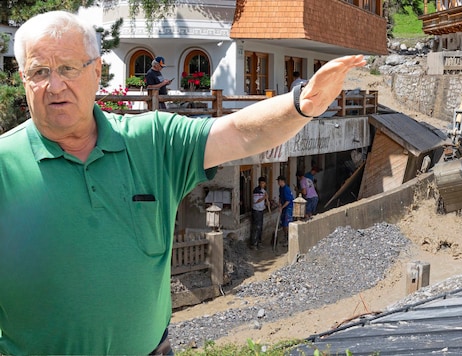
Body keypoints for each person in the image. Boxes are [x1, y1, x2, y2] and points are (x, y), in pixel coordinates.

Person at [0, 10, 365, 355]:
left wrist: (302, 104)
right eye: (40, 71)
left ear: (97, 71)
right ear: (23, 79)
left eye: (68, 68)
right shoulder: (4, 166)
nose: (55, 85)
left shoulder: (153, 141)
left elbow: (238, 134)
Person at [250, 176, 269, 249]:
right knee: (256, 227)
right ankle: (253, 244)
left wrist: (266, 203)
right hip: (256, 211)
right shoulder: (256, 190)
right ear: (259, 183)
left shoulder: (264, 191)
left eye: (263, 183)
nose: (262, 184)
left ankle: (259, 242)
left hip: (261, 210)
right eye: (261, 183)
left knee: (260, 227)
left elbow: (263, 201)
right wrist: (264, 198)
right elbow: (255, 201)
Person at [277, 175, 294, 246]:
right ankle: (285, 237)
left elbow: (288, 201)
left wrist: (282, 207)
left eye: (279, 181)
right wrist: (279, 204)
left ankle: (289, 239)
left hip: (288, 208)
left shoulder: (286, 189)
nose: (278, 182)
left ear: (281, 181)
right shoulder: (280, 188)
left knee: (287, 224)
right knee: (283, 224)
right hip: (284, 208)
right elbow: (280, 197)